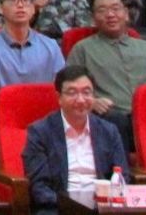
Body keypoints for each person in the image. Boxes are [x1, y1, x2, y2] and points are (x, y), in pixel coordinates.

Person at [64, 0, 146, 148]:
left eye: (115, 8)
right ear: (93, 18)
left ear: (126, 14)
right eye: (102, 10)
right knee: (115, 121)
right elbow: (69, 87)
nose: (110, 14)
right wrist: (92, 102)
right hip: (112, 118)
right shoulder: (83, 49)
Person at [22, 67, 125, 215]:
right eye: (72, 93)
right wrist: (75, 207)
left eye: (86, 92)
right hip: (58, 208)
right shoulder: (40, 132)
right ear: (59, 97)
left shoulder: (109, 131)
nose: (81, 100)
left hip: (102, 208)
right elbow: (39, 188)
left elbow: (122, 176)